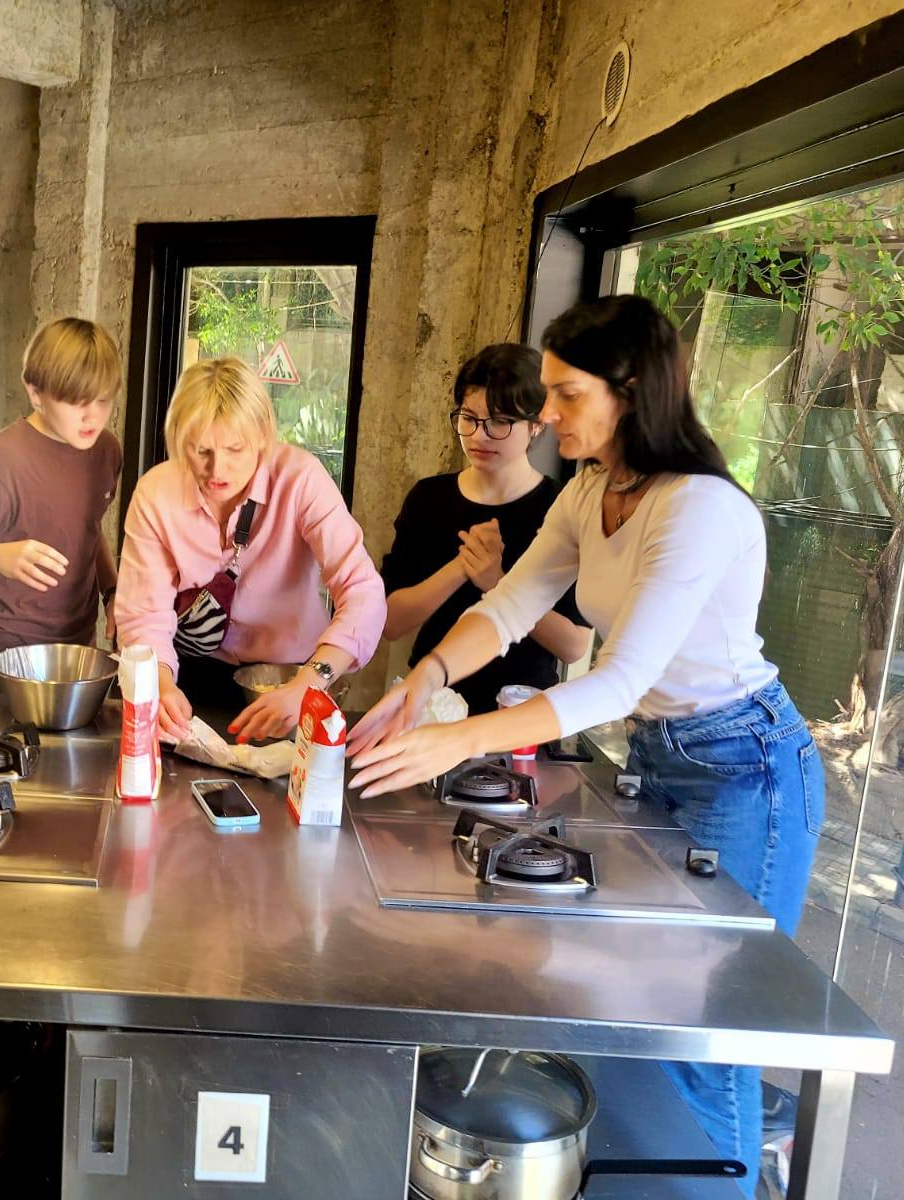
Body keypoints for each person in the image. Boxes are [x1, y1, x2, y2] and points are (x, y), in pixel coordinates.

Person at [347, 294, 823, 1194]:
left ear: (632, 391)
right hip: (661, 758)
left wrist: (455, 742)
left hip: (747, 768)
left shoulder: (698, 508)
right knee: (642, 1014)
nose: (550, 414)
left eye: (567, 395)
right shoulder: (590, 489)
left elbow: (616, 680)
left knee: (705, 1038)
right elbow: (508, 605)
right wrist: (424, 680)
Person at [115, 356, 386, 744]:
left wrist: (311, 681)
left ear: (262, 436)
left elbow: (363, 592)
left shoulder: (300, 479)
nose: (217, 470)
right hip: (191, 671)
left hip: (293, 676)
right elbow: (144, 614)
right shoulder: (156, 494)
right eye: (201, 450)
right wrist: (159, 684)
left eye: (234, 449)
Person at [381, 344, 590, 714]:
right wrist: (462, 568)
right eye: (469, 418)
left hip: (520, 709)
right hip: (433, 704)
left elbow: (573, 645)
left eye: (500, 422)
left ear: (537, 424)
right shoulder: (429, 497)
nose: (479, 436)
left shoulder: (560, 507)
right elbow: (390, 623)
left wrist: (498, 583)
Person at [0, 317, 124, 690]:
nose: (92, 416)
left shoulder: (106, 450)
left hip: (77, 656)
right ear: (35, 392)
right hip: (3, 659)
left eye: (103, 400)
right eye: (75, 400)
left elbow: (88, 528)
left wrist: (111, 591)